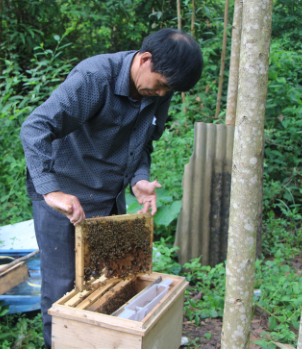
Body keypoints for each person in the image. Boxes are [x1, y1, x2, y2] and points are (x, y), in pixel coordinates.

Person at [20, 28, 203, 348]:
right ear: (145, 60)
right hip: (66, 199)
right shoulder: (94, 78)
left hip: (108, 194)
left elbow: (143, 144)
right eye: (161, 85)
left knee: (112, 283)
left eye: (168, 90)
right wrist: (52, 191)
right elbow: (35, 127)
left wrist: (139, 179)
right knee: (64, 293)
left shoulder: (160, 88)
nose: (162, 95)